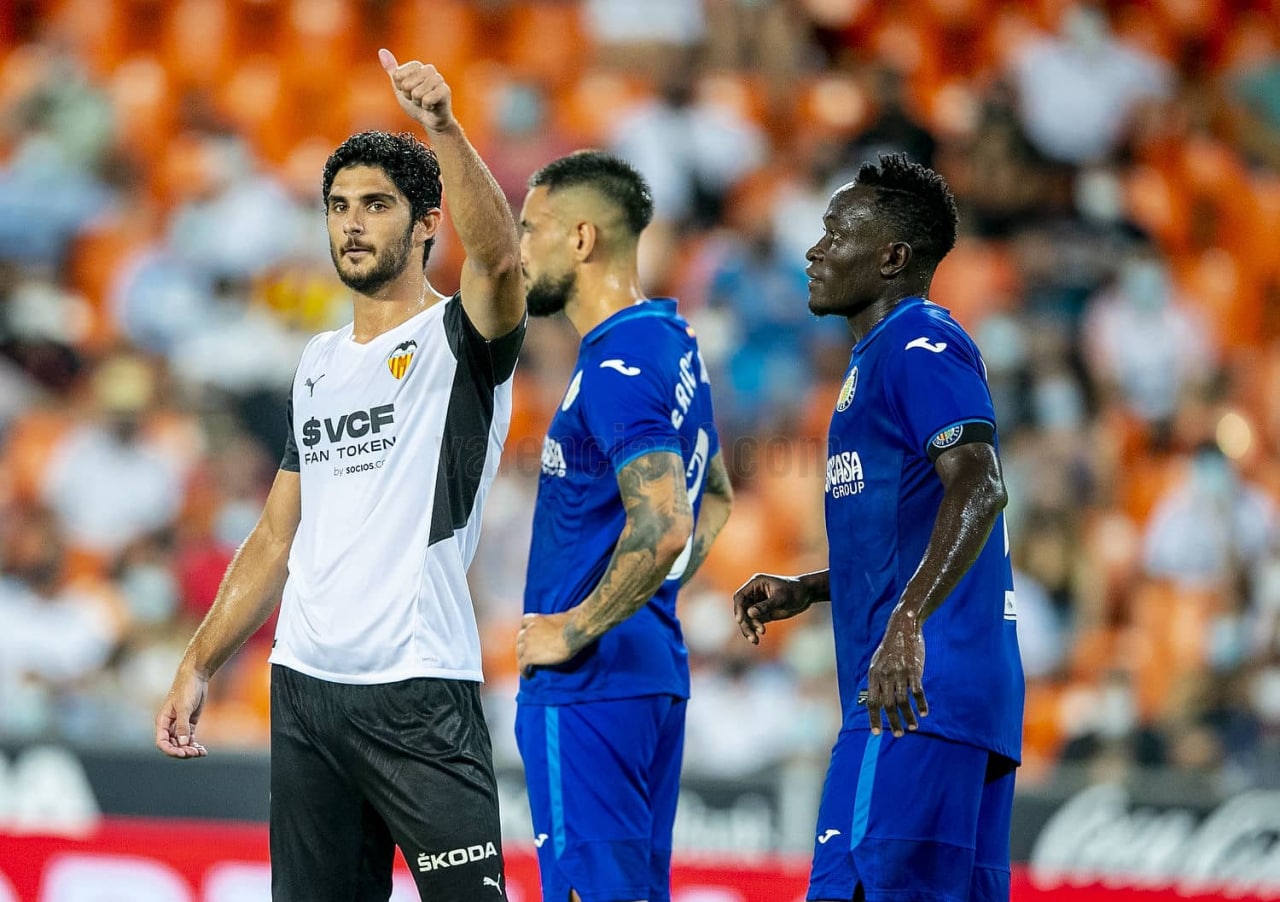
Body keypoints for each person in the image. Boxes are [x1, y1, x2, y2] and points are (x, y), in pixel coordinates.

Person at [154, 50, 526, 902]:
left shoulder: (459, 341)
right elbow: (275, 535)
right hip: (306, 689)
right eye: (339, 206)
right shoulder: (318, 361)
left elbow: (502, 264)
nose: (352, 224)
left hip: (418, 683)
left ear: (427, 223)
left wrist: (443, 127)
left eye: (376, 205)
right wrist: (199, 661)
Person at [734, 153, 1024, 902]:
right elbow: (912, 532)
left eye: (837, 233)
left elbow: (981, 483)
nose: (815, 249)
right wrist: (810, 588)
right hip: (949, 700)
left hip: (911, 700)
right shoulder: (880, 358)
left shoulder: (918, 343)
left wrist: (907, 618)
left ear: (892, 257)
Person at [513, 150, 733, 902]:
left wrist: (575, 627)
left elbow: (667, 524)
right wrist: (648, 597)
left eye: (530, 228)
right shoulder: (672, 343)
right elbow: (718, 496)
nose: (518, 248)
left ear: (581, 239)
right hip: (648, 669)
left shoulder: (615, 368)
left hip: (589, 684)